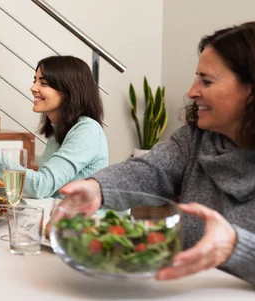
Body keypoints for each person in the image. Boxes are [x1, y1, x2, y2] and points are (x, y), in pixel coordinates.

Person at [56, 22, 255, 284]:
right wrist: (98, 187)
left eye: (206, 81)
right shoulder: (195, 139)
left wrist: (235, 247)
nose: (192, 92)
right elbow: (150, 169)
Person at [0, 55, 108, 199]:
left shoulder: (87, 131)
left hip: (83, 229)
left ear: (70, 90)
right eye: (35, 81)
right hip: (60, 219)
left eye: (44, 83)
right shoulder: (59, 132)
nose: (33, 88)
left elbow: (41, 186)